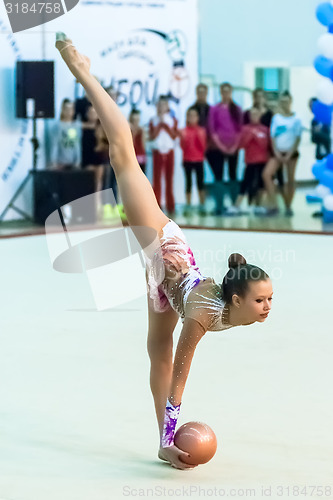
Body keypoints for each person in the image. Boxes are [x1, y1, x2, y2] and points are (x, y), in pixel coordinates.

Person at [56, 34, 273, 471]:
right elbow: (180, 376)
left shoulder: (226, 303)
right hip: (160, 241)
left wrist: (168, 439)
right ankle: (81, 69)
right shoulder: (204, 318)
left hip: (163, 283)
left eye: (268, 299)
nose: (267, 307)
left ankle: (162, 444)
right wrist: (174, 421)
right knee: (123, 153)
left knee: (156, 349)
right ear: (235, 301)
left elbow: (170, 352)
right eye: (261, 300)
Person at [262, 91, 302, 217]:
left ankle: (288, 206)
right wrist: (277, 153)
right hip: (278, 153)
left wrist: (290, 153)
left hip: (291, 154)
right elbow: (272, 136)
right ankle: (274, 204)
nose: (285, 103)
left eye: (287, 101)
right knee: (267, 174)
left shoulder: (296, 119)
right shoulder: (276, 118)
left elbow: (297, 137)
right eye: (282, 101)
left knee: (290, 179)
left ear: (291, 101)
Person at [206, 83, 243, 214]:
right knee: (219, 175)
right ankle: (219, 205)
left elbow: (240, 130)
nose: (226, 94)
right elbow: (212, 130)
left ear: (231, 92)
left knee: (233, 174)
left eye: (228, 92)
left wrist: (234, 146)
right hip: (218, 148)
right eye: (223, 92)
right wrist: (221, 146)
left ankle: (234, 204)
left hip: (233, 148)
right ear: (221, 92)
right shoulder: (214, 109)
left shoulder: (236, 109)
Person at [225, 108, 270, 216]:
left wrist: (258, 138)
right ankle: (237, 205)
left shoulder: (265, 129)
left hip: (262, 160)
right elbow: (242, 144)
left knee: (260, 184)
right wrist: (251, 136)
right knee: (245, 183)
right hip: (250, 161)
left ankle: (258, 205)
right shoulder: (245, 129)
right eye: (252, 114)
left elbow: (266, 145)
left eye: (256, 114)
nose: (254, 116)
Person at [149, 95, 178, 215]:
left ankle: (171, 205)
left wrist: (164, 125)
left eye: (163, 105)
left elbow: (173, 135)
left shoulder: (173, 120)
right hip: (157, 152)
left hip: (169, 151)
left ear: (167, 107)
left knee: (169, 179)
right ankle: (157, 205)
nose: (161, 107)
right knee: (156, 180)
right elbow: (152, 136)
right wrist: (159, 125)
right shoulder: (153, 120)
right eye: (159, 105)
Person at [179, 107, 207, 216]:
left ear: (197, 117)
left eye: (194, 115)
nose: (192, 118)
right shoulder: (184, 131)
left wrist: (199, 137)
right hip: (187, 159)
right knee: (188, 182)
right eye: (189, 115)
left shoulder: (201, 130)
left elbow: (203, 146)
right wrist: (184, 138)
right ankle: (188, 204)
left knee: (200, 182)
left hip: (199, 159)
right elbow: (182, 146)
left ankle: (202, 204)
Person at [50, 98, 81, 169]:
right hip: (60, 163)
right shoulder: (57, 126)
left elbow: (77, 144)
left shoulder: (75, 126)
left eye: (71, 109)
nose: (69, 112)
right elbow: (54, 145)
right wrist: (53, 162)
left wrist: (78, 161)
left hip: (73, 163)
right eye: (67, 109)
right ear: (63, 110)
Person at [129, 108, 146, 174]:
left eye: (137, 120)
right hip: (131, 156)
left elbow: (143, 144)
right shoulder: (128, 129)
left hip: (140, 156)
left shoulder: (141, 130)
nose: (136, 122)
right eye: (134, 120)